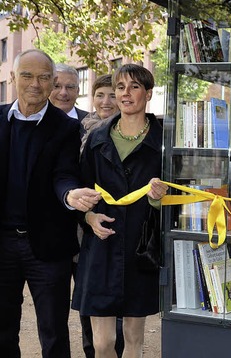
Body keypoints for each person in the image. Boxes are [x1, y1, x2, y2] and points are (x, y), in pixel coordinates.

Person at [0, 49, 101, 358]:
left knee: (54, 330)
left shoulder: (66, 127)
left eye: (44, 77)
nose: (35, 84)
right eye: (27, 76)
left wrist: (70, 195)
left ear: (53, 81)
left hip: (46, 246)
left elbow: (64, 174)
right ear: (14, 78)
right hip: (2, 245)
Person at [72, 64, 167, 358]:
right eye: (121, 88)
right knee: (102, 343)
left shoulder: (164, 141)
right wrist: (87, 217)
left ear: (148, 94)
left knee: (133, 338)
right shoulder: (96, 140)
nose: (126, 94)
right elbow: (80, 189)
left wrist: (157, 199)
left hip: (140, 247)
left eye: (134, 87)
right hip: (101, 246)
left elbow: (179, 194)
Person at [77, 74, 125, 358]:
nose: (106, 101)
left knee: (116, 304)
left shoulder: (124, 131)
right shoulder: (79, 129)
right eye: (100, 95)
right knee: (88, 302)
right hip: (83, 224)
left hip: (111, 224)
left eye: (111, 94)